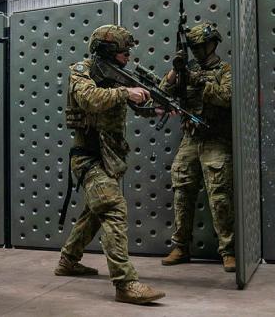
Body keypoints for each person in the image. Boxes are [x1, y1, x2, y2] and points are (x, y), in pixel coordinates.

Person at [54, 24, 166, 305]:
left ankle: (68, 260)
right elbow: (89, 99)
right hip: (88, 156)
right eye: (123, 51)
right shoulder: (82, 71)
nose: (128, 56)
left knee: (94, 213)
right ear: (106, 50)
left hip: (110, 157)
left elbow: (137, 105)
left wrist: (157, 107)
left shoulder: (116, 75)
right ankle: (125, 284)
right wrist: (126, 92)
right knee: (113, 208)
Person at [159, 21, 236, 272]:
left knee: (220, 195)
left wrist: (200, 82)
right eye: (194, 47)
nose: (197, 51)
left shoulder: (225, 70)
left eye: (201, 46)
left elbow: (227, 97)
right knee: (182, 190)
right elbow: (162, 93)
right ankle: (181, 246)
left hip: (216, 138)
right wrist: (176, 70)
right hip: (191, 139)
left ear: (212, 44)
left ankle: (228, 250)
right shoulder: (187, 69)